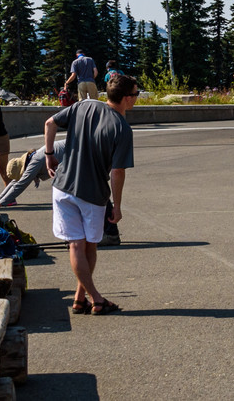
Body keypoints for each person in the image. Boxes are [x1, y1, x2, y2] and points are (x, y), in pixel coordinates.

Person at [44, 72, 137, 315]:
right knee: (89, 246)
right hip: (92, 192)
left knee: (76, 245)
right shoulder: (122, 128)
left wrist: (49, 154)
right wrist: (117, 206)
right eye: (136, 95)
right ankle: (96, 298)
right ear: (127, 99)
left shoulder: (83, 106)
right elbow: (117, 172)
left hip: (62, 187)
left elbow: (49, 123)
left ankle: (79, 298)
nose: (137, 99)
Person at [0, 139, 122, 245]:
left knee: (96, 191)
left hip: (87, 156)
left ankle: (111, 235)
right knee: (92, 192)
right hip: (82, 157)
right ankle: (104, 233)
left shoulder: (36, 161)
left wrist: (0, 204)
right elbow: (15, 182)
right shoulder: (34, 158)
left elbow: (21, 184)